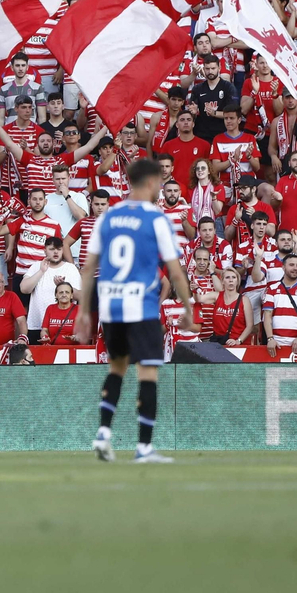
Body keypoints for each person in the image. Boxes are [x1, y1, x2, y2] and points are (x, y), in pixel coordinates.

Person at [75, 157, 194, 464]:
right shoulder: (156, 218)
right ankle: (143, 447)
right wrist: (188, 307)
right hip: (141, 306)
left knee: (117, 368)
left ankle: (103, 433)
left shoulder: (107, 218)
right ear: (152, 182)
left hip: (110, 306)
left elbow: (88, 268)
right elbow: (175, 271)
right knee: (147, 373)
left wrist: (84, 312)